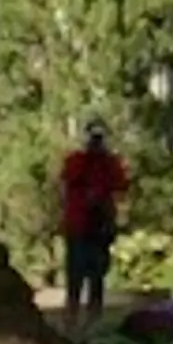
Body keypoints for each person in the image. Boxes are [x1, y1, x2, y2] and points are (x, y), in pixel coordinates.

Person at [58, 123, 130, 331]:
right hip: (79, 224)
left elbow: (121, 186)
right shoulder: (76, 161)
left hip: (100, 226)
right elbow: (67, 182)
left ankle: (92, 316)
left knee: (97, 273)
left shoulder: (109, 163)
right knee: (76, 272)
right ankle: (72, 315)